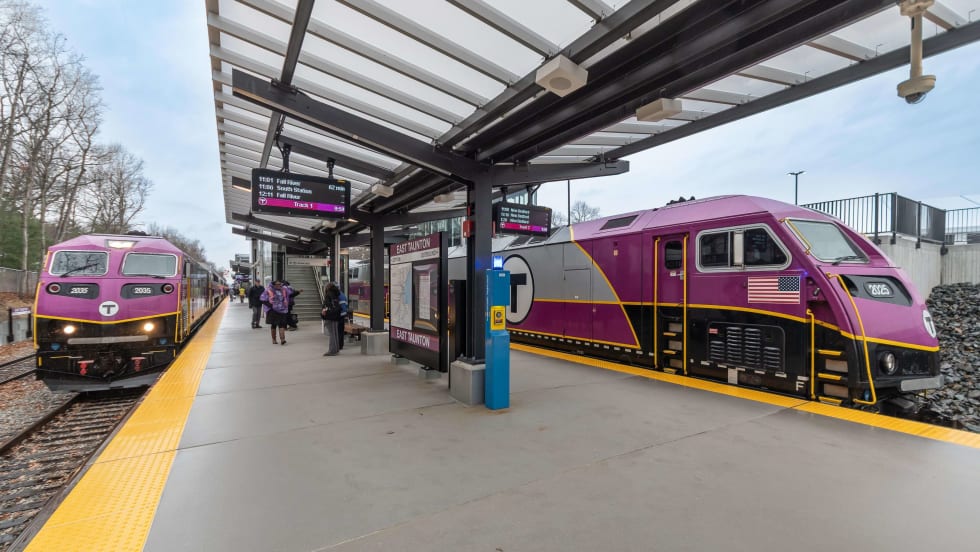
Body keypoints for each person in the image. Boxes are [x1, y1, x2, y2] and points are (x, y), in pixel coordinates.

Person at [260, 280, 290, 345]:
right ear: (273, 285)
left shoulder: (283, 290)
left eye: (279, 284)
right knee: (274, 325)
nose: (279, 285)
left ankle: (283, 339)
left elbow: (287, 297)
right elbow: (262, 299)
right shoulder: (268, 290)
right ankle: (274, 339)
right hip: (272, 311)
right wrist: (270, 305)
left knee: (281, 324)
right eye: (277, 284)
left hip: (282, 310)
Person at [321, 283, 342, 356]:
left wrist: (324, 311)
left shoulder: (328, 295)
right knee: (335, 333)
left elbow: (327, 305)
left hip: (330, 316)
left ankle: (332, 350)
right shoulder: (336, 294)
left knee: (332, 334)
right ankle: (336, 349)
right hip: (336, 315)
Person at [335, 283, 348, 350]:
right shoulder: (343, 295)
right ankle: (341, 345)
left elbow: (340, 307)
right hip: (343, 315)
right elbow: (346, 306)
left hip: (339, 316)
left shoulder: (338, 295)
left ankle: (339, 345)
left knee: (338, 331)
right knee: (341, 331)